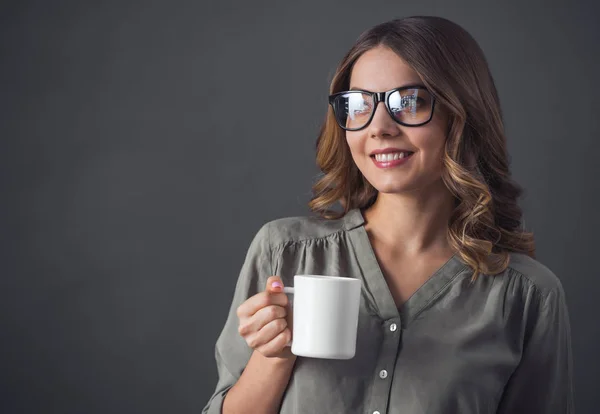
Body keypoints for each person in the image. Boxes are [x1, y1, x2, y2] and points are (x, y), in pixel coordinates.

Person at [202, 15, 574, 414]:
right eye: (358, 105)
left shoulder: (528, 296)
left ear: (462, 116)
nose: (379, 128)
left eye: (409, 102)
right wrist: (272, 357)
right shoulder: (285, 253)